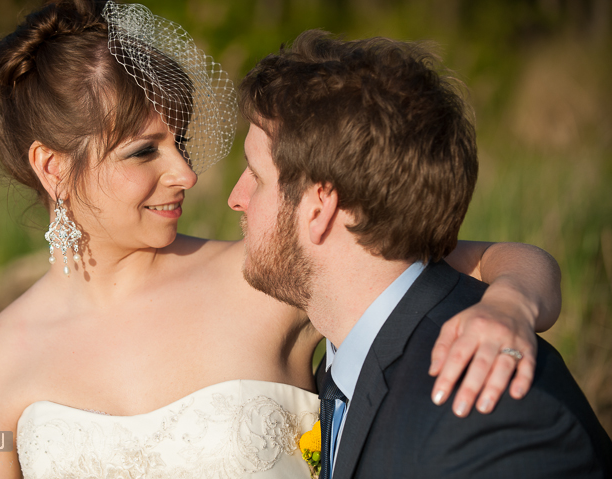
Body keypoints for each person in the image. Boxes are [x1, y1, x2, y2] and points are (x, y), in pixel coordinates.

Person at [0, 2, 562, 478]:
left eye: (179, 141)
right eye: (143, 151)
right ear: (52, 168)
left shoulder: (262, 276)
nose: (184, 173)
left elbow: (510, 260)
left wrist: (510, 307)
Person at [230, 30, 612, 479]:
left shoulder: (487, 412)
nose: (237, 197)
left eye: (255, 175)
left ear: (321, 207)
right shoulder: (356, 337)